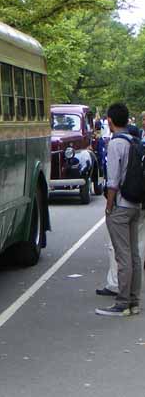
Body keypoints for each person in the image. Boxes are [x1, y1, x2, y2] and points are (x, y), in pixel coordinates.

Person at [96, 103, 143, 317]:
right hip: (136, 203)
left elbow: (113, 180)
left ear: (110, 121)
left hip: (121, 205)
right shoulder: (134, 141)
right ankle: (134, 301)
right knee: (134, 254)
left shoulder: (115, 144)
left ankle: (122, 302)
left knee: (122, 255)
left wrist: (109, 206)